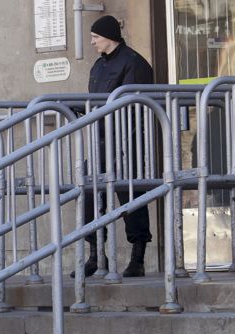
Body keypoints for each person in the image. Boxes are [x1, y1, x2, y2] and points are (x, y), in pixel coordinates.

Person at [80, 14, 154, 277]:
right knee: (89, 194)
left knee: (130, 196)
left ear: (109, 37)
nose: (92, 42)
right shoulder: (98, 67)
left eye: (95, 37)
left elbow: (136, 104)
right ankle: (96, 255)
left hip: (126, 140)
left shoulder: (134, 63)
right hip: (101, 140)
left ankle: (138, 259)